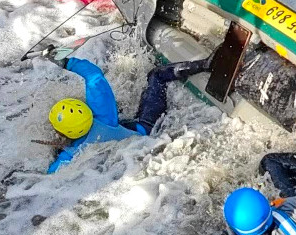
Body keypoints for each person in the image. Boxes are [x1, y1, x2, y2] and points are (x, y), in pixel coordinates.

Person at [41, 50, 214, 173]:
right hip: (143, 134)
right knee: (156, 76)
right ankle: (206, 64)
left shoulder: (70, 155)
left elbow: (50, 176)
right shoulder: (104, 116)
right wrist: (64, 61)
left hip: (140, 152)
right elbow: (93, 75)